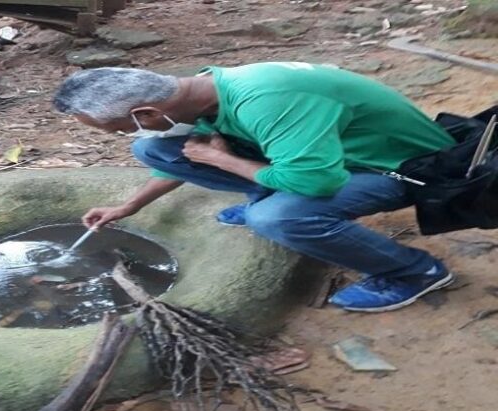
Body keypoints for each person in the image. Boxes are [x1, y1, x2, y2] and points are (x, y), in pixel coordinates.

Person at [52, 62, 457, 313]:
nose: (123, 134)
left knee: (278, 218)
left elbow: (316, 180)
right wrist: (130, 206)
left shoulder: (268, 100)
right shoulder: (204, 91)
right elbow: (191, 154)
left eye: (119, 127)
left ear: (146, 110)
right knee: (155, 148)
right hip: (327, 156)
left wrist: (223, 160)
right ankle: (267, 191)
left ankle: (415, 273)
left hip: (402, 169)